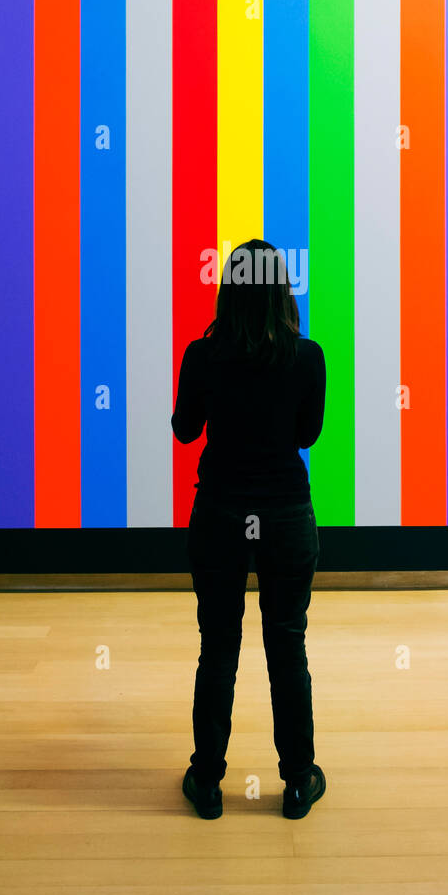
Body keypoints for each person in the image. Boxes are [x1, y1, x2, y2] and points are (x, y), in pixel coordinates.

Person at [171, 239, 327, 820]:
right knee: (288, 647)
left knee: (218, 647)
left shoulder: (201, 356)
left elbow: (185, 431)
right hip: (286, 516)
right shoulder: (307, 358)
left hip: (220, 515)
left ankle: (208, 782)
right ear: (281, 290)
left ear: (229, 290)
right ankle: (296, 782)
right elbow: (307, 436)